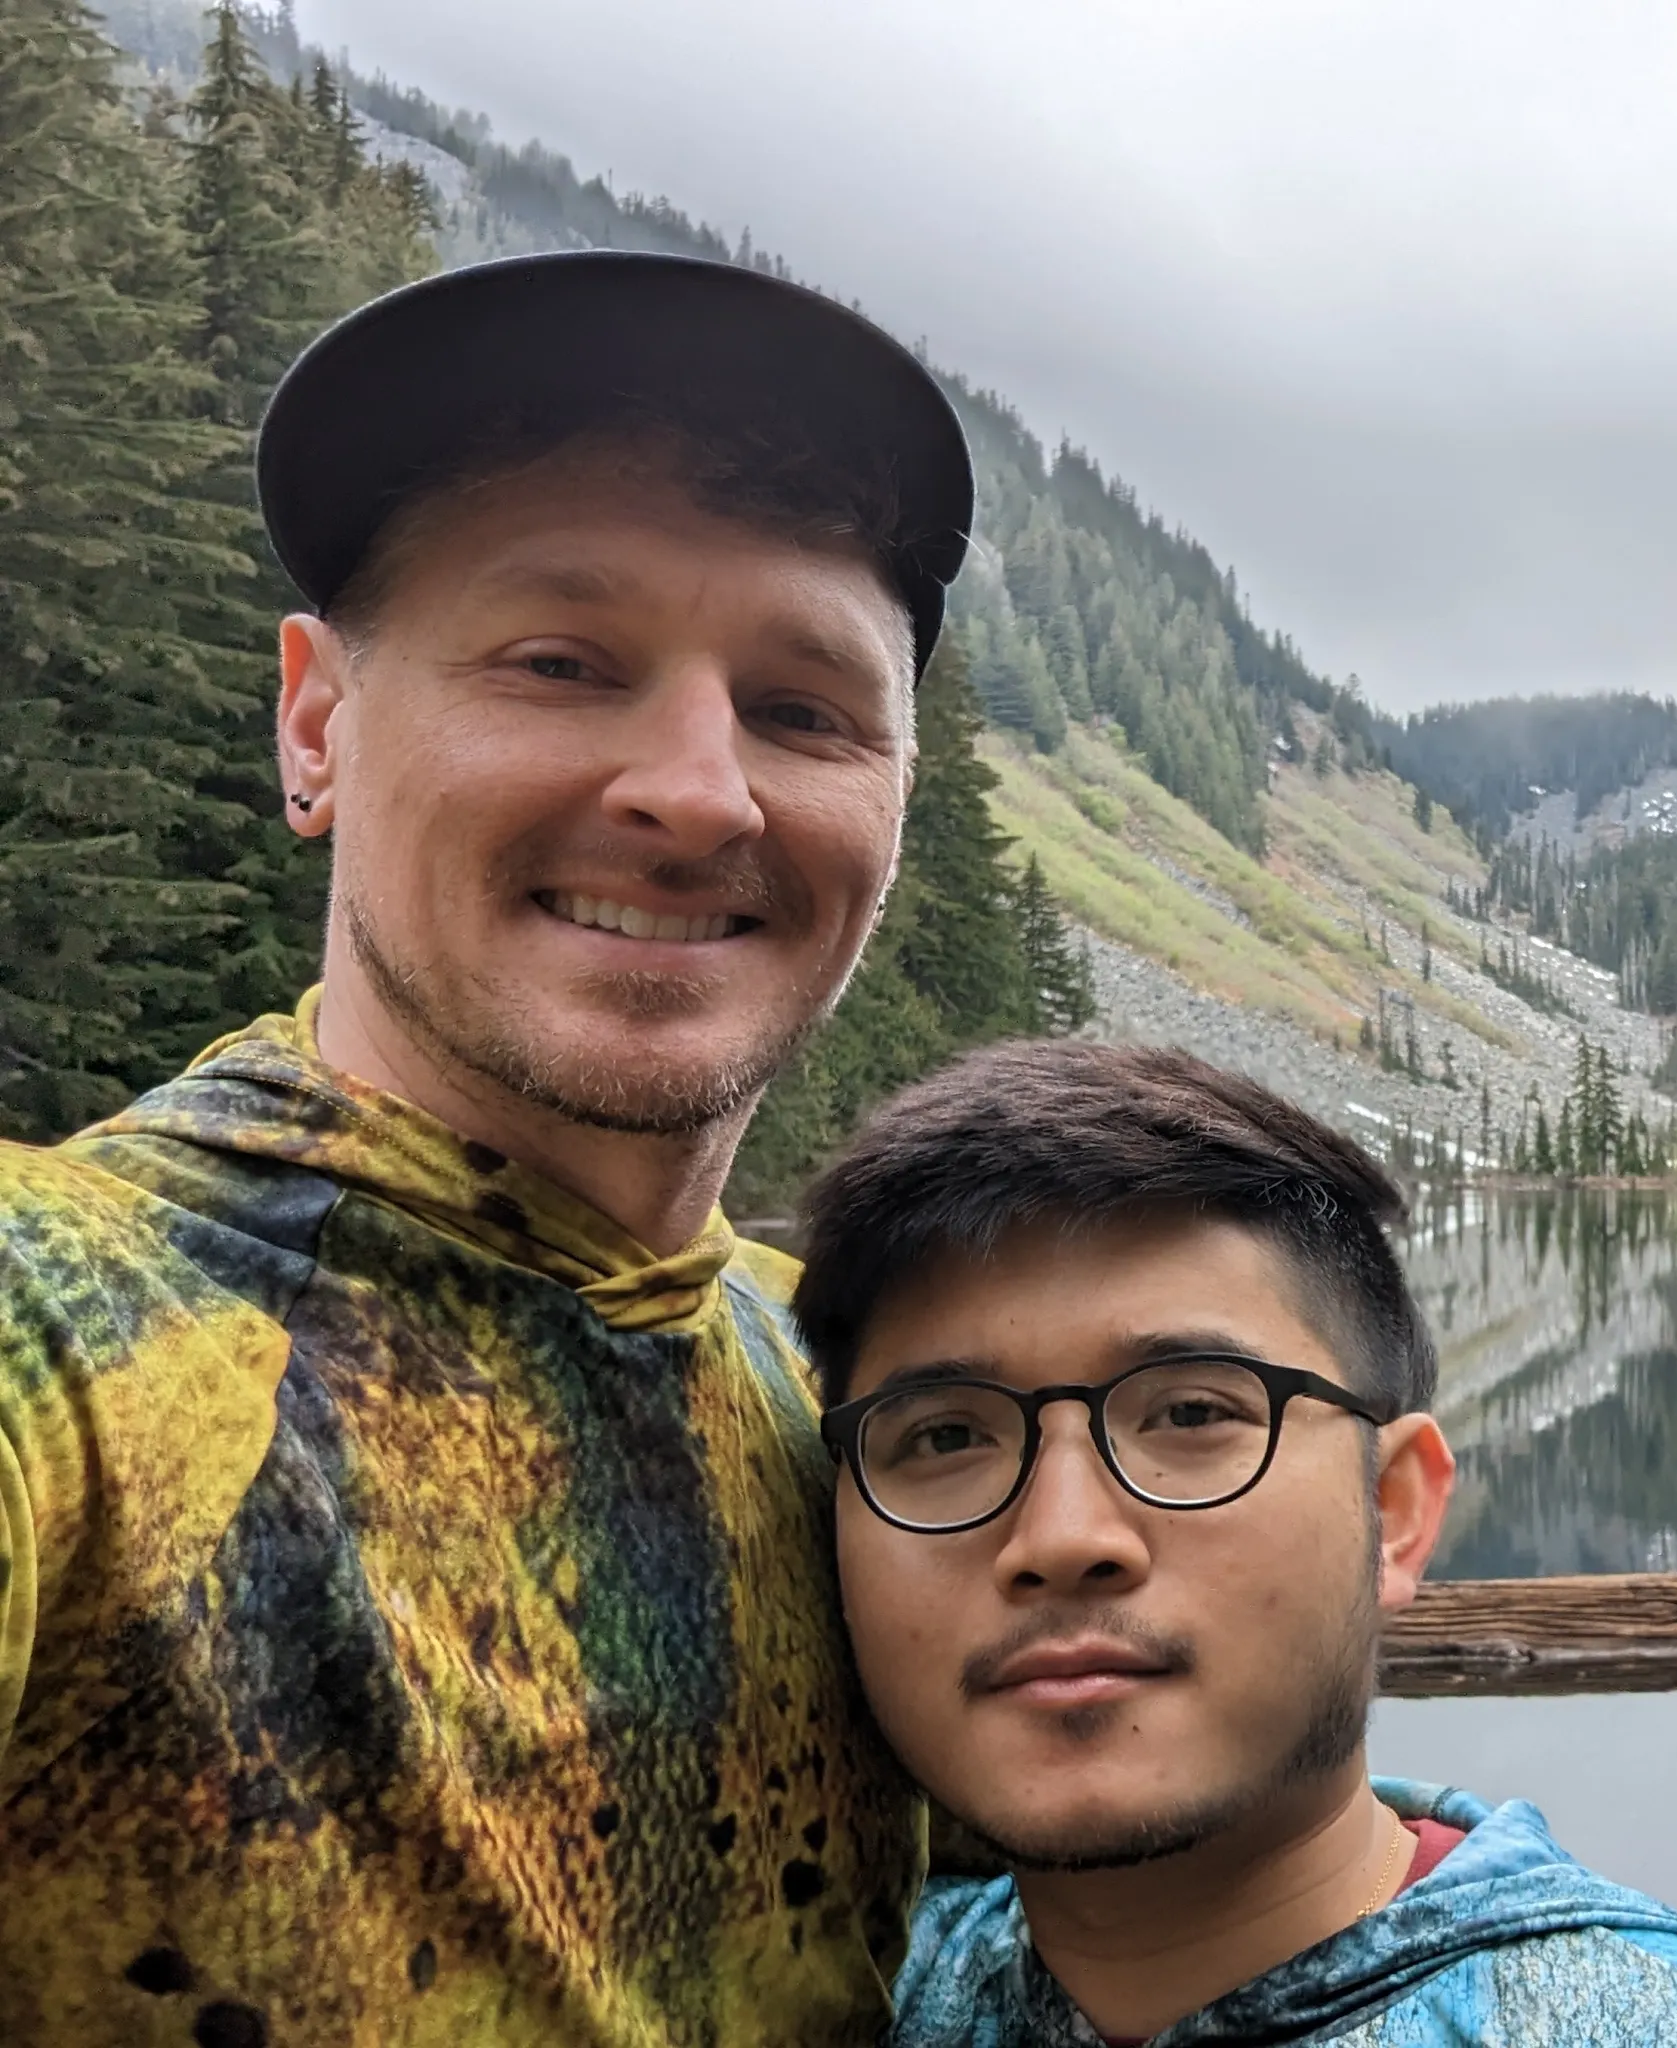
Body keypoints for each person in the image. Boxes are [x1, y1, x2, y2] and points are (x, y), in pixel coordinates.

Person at [0, 250, 973, 2046]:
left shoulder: (866, 1397)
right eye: (560, 663)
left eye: (802, 709)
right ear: (316, 726)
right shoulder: (52, 1320)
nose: (698, 792)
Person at [793, 1040, 1677, 2047]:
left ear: (1393, 1509)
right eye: (944, 1436)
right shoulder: (831, 1982)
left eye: (1193, 1413)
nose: (1063, 1536)